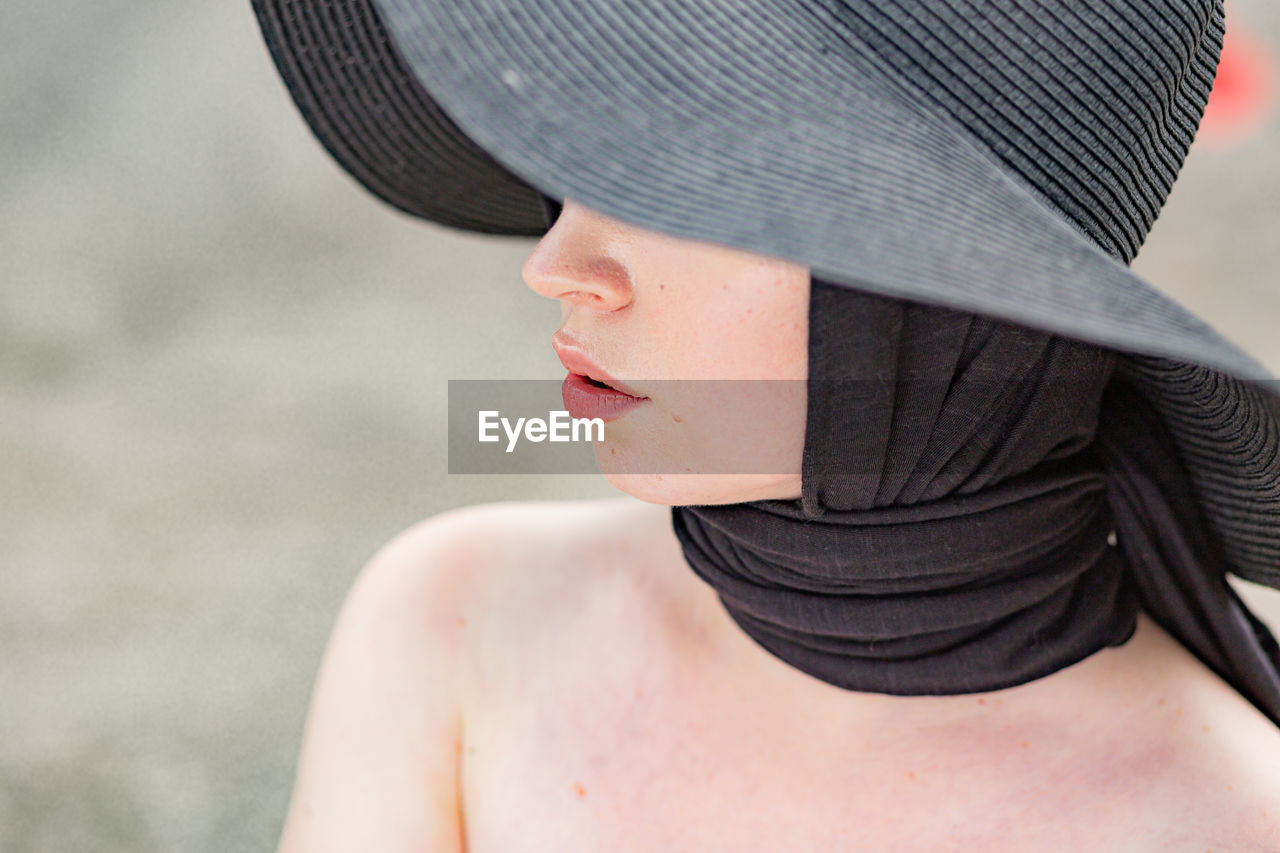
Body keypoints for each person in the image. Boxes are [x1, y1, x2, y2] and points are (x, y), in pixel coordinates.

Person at [252, 0, 1280, 849]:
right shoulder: (455, 620)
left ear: (929, 296)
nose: (554, 265)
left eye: (675, 185)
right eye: (577, 159)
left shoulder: (1219, 815)